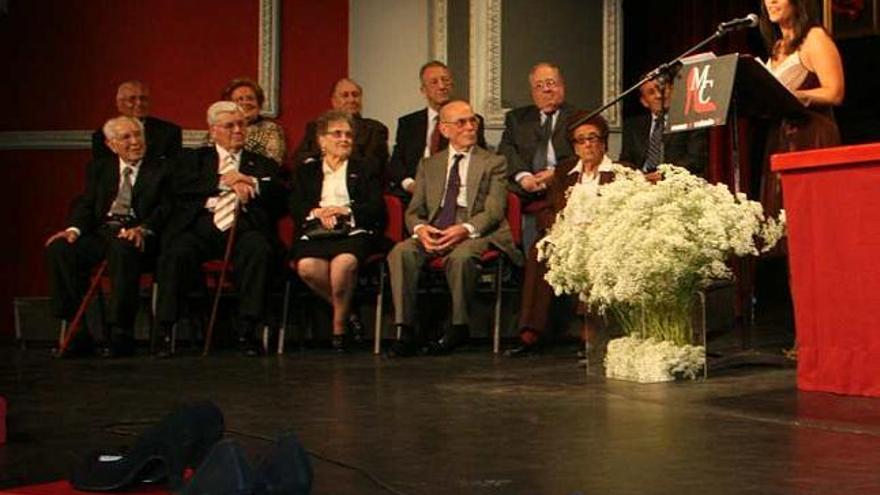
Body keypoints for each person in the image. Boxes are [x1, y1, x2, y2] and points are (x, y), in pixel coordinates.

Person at [386, 100, 522, 357]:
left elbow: (494, 211)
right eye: (462, 122)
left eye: (473, 121)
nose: (470, 127)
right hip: (436, 227)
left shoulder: (494, 162)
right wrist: (421, 231)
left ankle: (459, 326)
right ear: (445, 130)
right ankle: (405, 329)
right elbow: (414, 212)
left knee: (460, 257)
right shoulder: (429, 165)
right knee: (400, 252)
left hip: (477, 228)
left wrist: (464, 229)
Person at [155, 101, 287, 357]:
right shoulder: (193, 159)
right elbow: (179, 186)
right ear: (214, 130)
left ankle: (247, 330)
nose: (238, 130)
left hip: (243, 227)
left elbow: (281, 195)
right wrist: (225, 181)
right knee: (175, 253)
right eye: (230, 126)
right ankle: (165, 329)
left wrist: (251, 183)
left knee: (259, 249)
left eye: (242, 124)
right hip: (201, 226)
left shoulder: (261, 163)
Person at [47, 116, 170, 357]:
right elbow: (86, 203)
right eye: (126, 137)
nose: (135, 142)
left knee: (122, 249)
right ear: (111, 144)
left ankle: (120, 332)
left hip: (140, 237)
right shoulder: (100, 168)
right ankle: (77, 330)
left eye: (138, 135)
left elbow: (167, 208)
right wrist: (73, 230)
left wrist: (143, 228)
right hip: (103, 232)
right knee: (60, 249)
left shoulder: (163, 168)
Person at [505, 112, 616, 357]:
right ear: (574, 146)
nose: (587, 144)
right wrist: (557, 227)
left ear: (604, 141)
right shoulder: (565, 171)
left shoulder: (619, 171)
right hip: (564, 234)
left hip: (600, 236)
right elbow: (546, 208)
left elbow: (624, 208)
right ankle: (531, 331)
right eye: (581, 140)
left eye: (593, 138)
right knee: (539, 251)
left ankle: (590, 331)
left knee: (595, 254)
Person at [289, 110, 385, 352]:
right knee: (308, 268)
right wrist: (317, 212)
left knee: (342, 267)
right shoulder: (307, 171)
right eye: (337, 134)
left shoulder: (365, 169)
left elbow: (376, 208)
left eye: (349, 135)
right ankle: (349, 310)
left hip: (353, 231)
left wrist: (345, 211)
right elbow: (296, 206)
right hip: (316, 232)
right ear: (322, 140)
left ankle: (339, 327)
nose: (345, 139)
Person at [759, 0, 844, 215]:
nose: (772, 2)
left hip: (810, 138)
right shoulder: (778, 46)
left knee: (808, 212)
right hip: (779, 138)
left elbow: (834, 92)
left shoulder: (814, 38)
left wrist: (799, 95)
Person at [498, 62, 577, 250]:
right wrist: (523, 176)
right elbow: (506, 150)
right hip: (525, 185)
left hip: (562, 184)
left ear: (562, 86)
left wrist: (556, 174)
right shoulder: (517, 118)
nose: (546, 90)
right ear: (533, 93)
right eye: (539, 86)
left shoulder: (579, 117)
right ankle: (513, 261)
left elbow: (584, 156)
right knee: (496, 195)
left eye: (551, 83)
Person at [388, 61, 488, 199]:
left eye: (445, 80)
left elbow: (478, 160)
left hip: (453, 191)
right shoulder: (408, 123)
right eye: (434, 82)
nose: (441, 86)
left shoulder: (470, 121)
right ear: (423, 90)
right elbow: (397, 162)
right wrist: (410, 185)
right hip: (414, 193)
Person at [292, 78, 389, 176]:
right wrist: (317, 167)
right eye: (345, 95)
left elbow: (374, 165)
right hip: (320, 179)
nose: (351, 100)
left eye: (355, 95)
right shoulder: (317, 127)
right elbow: (301, 156)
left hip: (356, 183)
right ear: (333, 101)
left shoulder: (374, 129)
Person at [618, 75, 707, 178]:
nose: (659, 95)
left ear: (672, 90)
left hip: (675, 181)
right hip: (642, 182)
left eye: (662, 89)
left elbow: (696, 159)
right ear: (644, 101)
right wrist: (638, 177)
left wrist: (664, 174)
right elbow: (626, 161)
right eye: (651, 92)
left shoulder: (690, 120)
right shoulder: (633, 126)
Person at [91, 80, 182, 162]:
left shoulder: (169, 132)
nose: (139, 103)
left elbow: (173, 170)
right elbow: (104, 172)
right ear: (119, 104)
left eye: (143, 99)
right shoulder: (102, 136)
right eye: (132, 99)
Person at [221, 78, 287, 166]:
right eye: (239, 99)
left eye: (250, 98)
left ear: (259, 103)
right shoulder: (219, 128)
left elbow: (273, 163)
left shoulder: (270, 129)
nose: (245, 103)